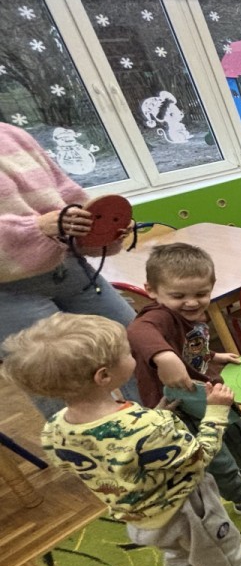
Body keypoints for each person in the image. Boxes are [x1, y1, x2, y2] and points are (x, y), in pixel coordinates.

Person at [1, 313, 241, 566]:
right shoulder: (148, 427)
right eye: (127, 352)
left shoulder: (55, 428)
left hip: (138, 517)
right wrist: (216, 411)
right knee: (218, 555)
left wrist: (156, 414)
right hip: (185, 509)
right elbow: (200, 456)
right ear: (103, 376)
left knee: (178, 554)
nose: (133, 355)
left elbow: (112, 450)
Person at [127, 243, 241, 518]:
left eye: (201, 294)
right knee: (217, 457)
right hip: (182, 405)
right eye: (178, 295)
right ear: (152, 291)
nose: (192, 302)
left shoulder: (188, 314)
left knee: (238, 430)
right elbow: (137, 332)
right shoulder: (158, 316)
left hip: (211, 392)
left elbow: (190, 346)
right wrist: (164, 357)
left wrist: (214, 356)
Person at [0, 122, 140, 416]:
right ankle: (90, 443)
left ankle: (162, 429)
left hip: (71, 268)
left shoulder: (12, 135)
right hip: (9, 292)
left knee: (140, 346)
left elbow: (68, 196)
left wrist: (100, 228)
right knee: (57, 382)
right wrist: (35, 228)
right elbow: (45, 223)